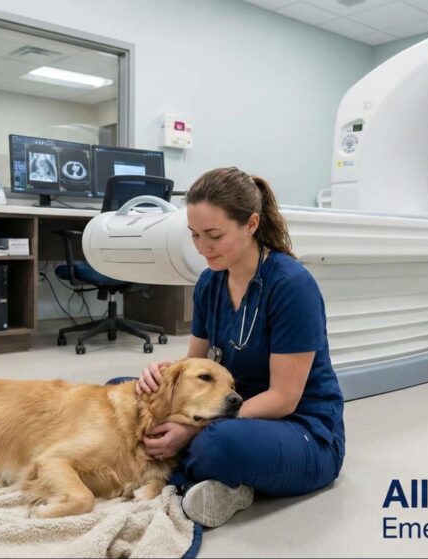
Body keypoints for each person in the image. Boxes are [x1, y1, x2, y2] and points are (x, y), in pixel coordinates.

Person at [136, 167, 345, 528]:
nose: (202, 248)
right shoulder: (208, 283)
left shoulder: (291, 285)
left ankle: (195, 472)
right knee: (127, 395)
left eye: (214, 235)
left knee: (215, 445)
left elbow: (283, 398)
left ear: (250, 224)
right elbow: (194, 367)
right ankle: (220, 483)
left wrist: (194, 429)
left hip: (302, 431)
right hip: (226, 412)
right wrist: (163, 376)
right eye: (195, 235)